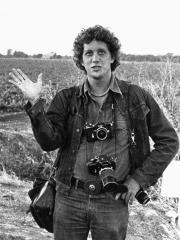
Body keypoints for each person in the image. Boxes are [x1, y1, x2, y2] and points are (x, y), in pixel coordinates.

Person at [9, 25, 179, 240]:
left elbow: (169, 141)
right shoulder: (66, 98)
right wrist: (35, 105)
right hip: (69, 198)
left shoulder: (136, 97)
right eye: (88, 53)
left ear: (112, 58)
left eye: (101, 52)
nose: (95, 59)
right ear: (81, 61)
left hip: (113, 199)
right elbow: (49, 142)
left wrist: (138, 180)